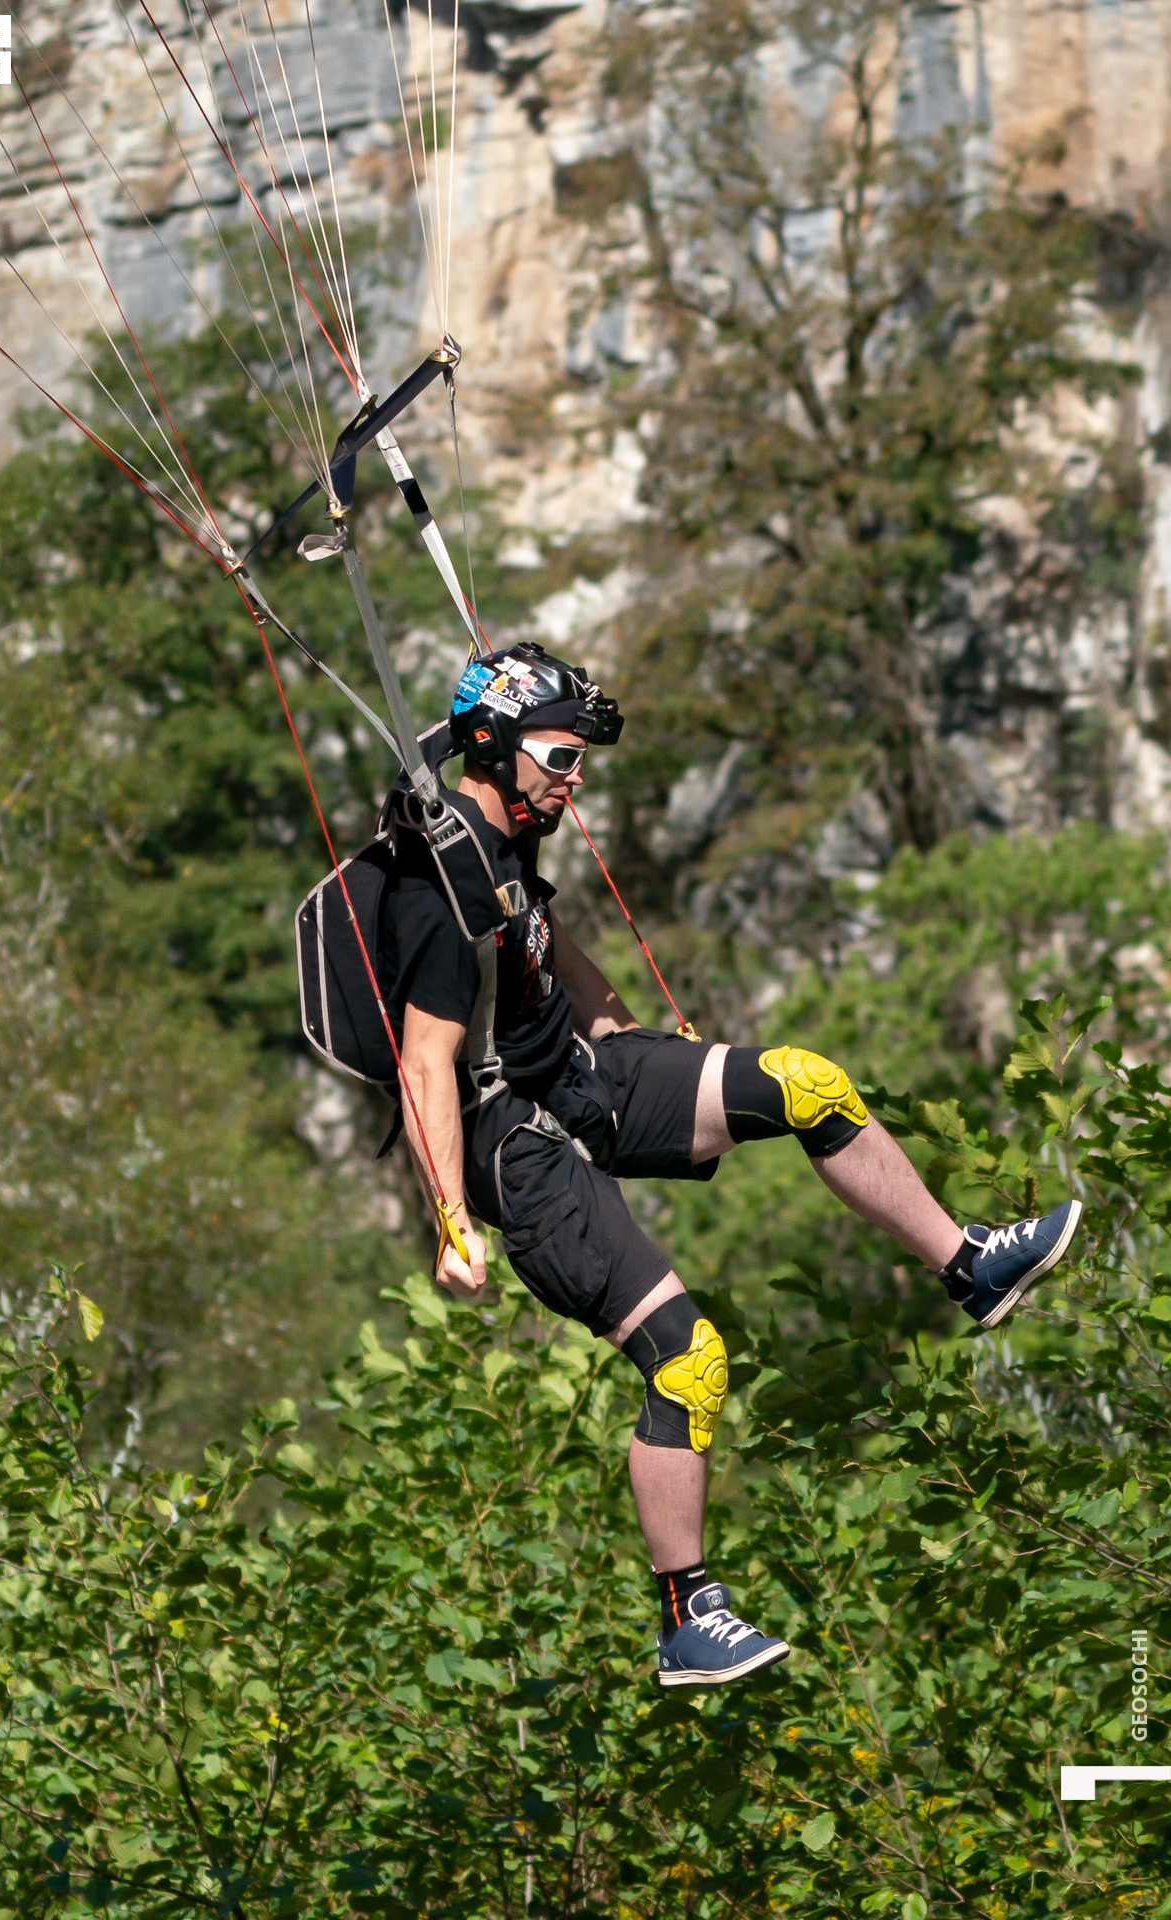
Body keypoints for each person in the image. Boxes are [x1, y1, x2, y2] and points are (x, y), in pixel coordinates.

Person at [385, 641, 1083, 1689]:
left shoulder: (506, 842)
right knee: (689, 1363)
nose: (576, 781)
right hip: (511, 1144)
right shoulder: (438, 885)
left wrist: (631, 1036)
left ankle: (967, 1266)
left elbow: (545, 944)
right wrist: (450, 1220)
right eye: (562, 758)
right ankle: (685, 1618)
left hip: (578, 1071)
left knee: (807, 1083)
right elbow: (422, 1063)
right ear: (493, 745)